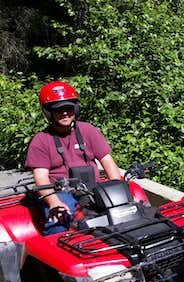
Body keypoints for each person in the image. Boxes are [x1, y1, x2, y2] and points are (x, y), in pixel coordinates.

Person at [25, 80, 121, 235]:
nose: (64, 113)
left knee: (127, 210)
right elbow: (41, 178)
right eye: (58, 110)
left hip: (92, 187)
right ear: (49, 112)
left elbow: (108, 162)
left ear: (75, 109)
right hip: (62, 193)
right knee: (59, 218)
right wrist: (54, 202)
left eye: (68, 108)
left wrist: (117, 188)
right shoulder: (41, 140)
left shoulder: (88, 130)